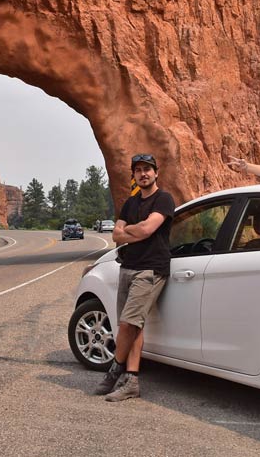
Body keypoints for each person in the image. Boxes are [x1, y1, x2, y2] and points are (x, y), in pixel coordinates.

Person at [94, 153, 176, 402]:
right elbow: (116, 236)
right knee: (131, 326)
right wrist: (134, 232)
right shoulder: (130, 203)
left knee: (129, 324)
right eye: (138, 170)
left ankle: (114, 370)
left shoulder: (164, 199)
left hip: (150, 270)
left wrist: (130, 230)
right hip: (128, 267)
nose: (143, 174)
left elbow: (147, 229)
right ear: (134, 175)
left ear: (156, 172)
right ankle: (132, 381)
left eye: (147, 169)